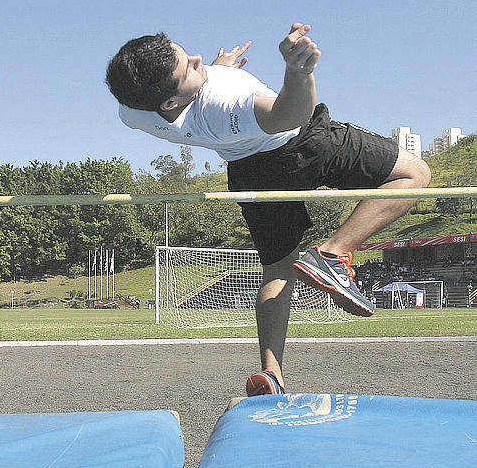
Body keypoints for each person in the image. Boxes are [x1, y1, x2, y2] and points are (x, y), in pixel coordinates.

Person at [106, 23, 431, 396]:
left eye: (188, 54)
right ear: (170, 101)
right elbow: (290, 115)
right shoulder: (224, 99)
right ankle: (334, 253)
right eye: (190, 68)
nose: (198, 60)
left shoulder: (134, 112)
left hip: (250, 173)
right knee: (414, 174)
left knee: (278, 269)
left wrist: (212, 69)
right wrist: (298, 71)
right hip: (302, 147)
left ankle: (271, 373)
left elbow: (187, 95)